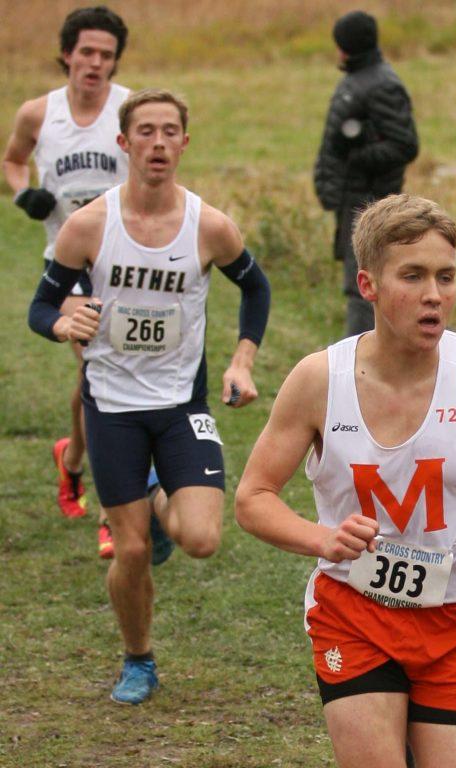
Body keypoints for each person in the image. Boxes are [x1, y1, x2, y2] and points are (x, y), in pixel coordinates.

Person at [235, 194, 456, 767]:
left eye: (446, 277)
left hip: (454, 617)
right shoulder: (318, 379)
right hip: (355, 610)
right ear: (368, 285)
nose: (434, 295)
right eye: (414, 276)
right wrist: (321, 539)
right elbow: (252, 498)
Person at [27, 88, 272, 705]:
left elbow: (256, 288)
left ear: (184, 143)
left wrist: (242, 358)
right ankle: (138, 660)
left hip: (182, 405)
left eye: (170, 132)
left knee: (202, 540)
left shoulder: (209, 226)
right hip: (110, 407)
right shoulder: (89, 226)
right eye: (146, 132)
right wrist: (64, 322)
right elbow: (39, 306)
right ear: (124, 143)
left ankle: (162, 492)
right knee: (130, 549)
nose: (158, 143)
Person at [3, 6, 129, 556]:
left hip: (127, 265)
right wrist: (21, 192)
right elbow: (13, 160)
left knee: (99, 382)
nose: (95, 63)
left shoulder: (130, 109)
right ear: (67, 55)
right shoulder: (38, 113)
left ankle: (72, 458)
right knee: (100, 377)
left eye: (106, 55)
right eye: (87, 52)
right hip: (71, 266)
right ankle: (112, 510)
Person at [314, 9, 418, 338]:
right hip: (353, 198)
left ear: (347, 46)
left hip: (369, 204)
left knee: (363, 287)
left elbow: (405, 146)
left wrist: (357, 157)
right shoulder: (359, 78)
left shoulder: (382, 84)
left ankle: (360, 369)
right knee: (359, 284)